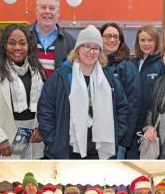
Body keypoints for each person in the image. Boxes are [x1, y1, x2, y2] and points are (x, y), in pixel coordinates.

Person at [37, 25, 129, 159]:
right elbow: (45, 111)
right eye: (87, 46)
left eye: (96, 48)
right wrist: (55, 141)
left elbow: (122, 109)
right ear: (78, 49)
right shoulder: (60, 78)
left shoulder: (109, 79)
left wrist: (116, 135)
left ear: (100, 52)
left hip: (100, 152)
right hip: (67, 151)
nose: (91, 52)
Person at [0, 24, 47, 159]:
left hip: (32, 138)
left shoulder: (37, 70)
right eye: (11, 43)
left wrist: (42, 127)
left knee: (29, 179)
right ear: (4, 46)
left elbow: (46, 104)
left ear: (29, 46)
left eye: (22, 43)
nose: (17, 48)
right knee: (4, 179)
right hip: (3, 138)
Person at [100, 22, 142, 159]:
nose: (112, 40)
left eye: (115, 37)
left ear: (121, 41)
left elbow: (133, 104)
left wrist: (124, 140)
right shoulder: (92, 64)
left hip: (117, 139)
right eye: (107, 36)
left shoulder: (127, 67)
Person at [131, 25, 165, 159]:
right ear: (137, 42)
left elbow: (161, 98)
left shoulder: (162, 64)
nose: (146, 44)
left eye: (150, 40)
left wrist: (151, 124)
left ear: (156, 41)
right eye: (142, 40)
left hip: (151, 125)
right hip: (133, 123)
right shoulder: (132, 62)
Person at [31, 0, 76, 77]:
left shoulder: (71, 42)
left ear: (58, 13)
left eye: (52, 8)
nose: (47, 11)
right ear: (36, 11)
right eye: (43, 7)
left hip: (58, 90)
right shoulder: (24, 36)